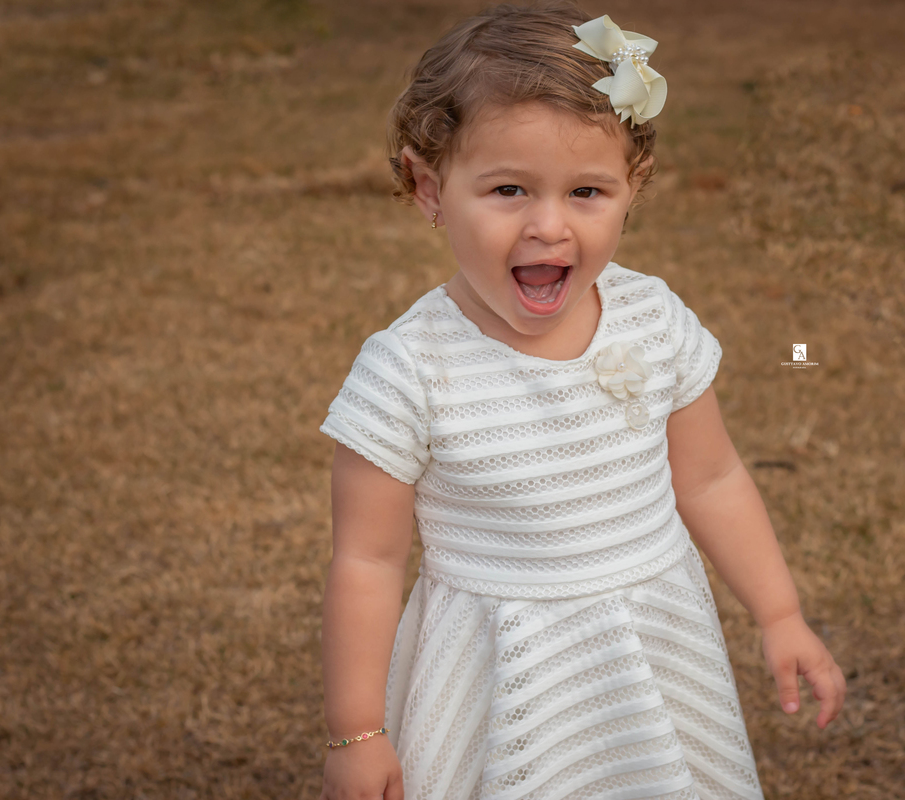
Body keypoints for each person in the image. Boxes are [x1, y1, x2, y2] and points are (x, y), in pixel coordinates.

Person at [317, 4, 845, 798]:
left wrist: (779, 614)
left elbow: (711, 480)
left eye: (586, 191)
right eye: (508, 189)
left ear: (634, 187)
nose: (549, 226)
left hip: (651, 652)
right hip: (503, 665)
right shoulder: (408, 371)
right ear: (430, 189)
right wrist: (357, 732)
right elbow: (368, 560)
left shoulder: (651, 319)